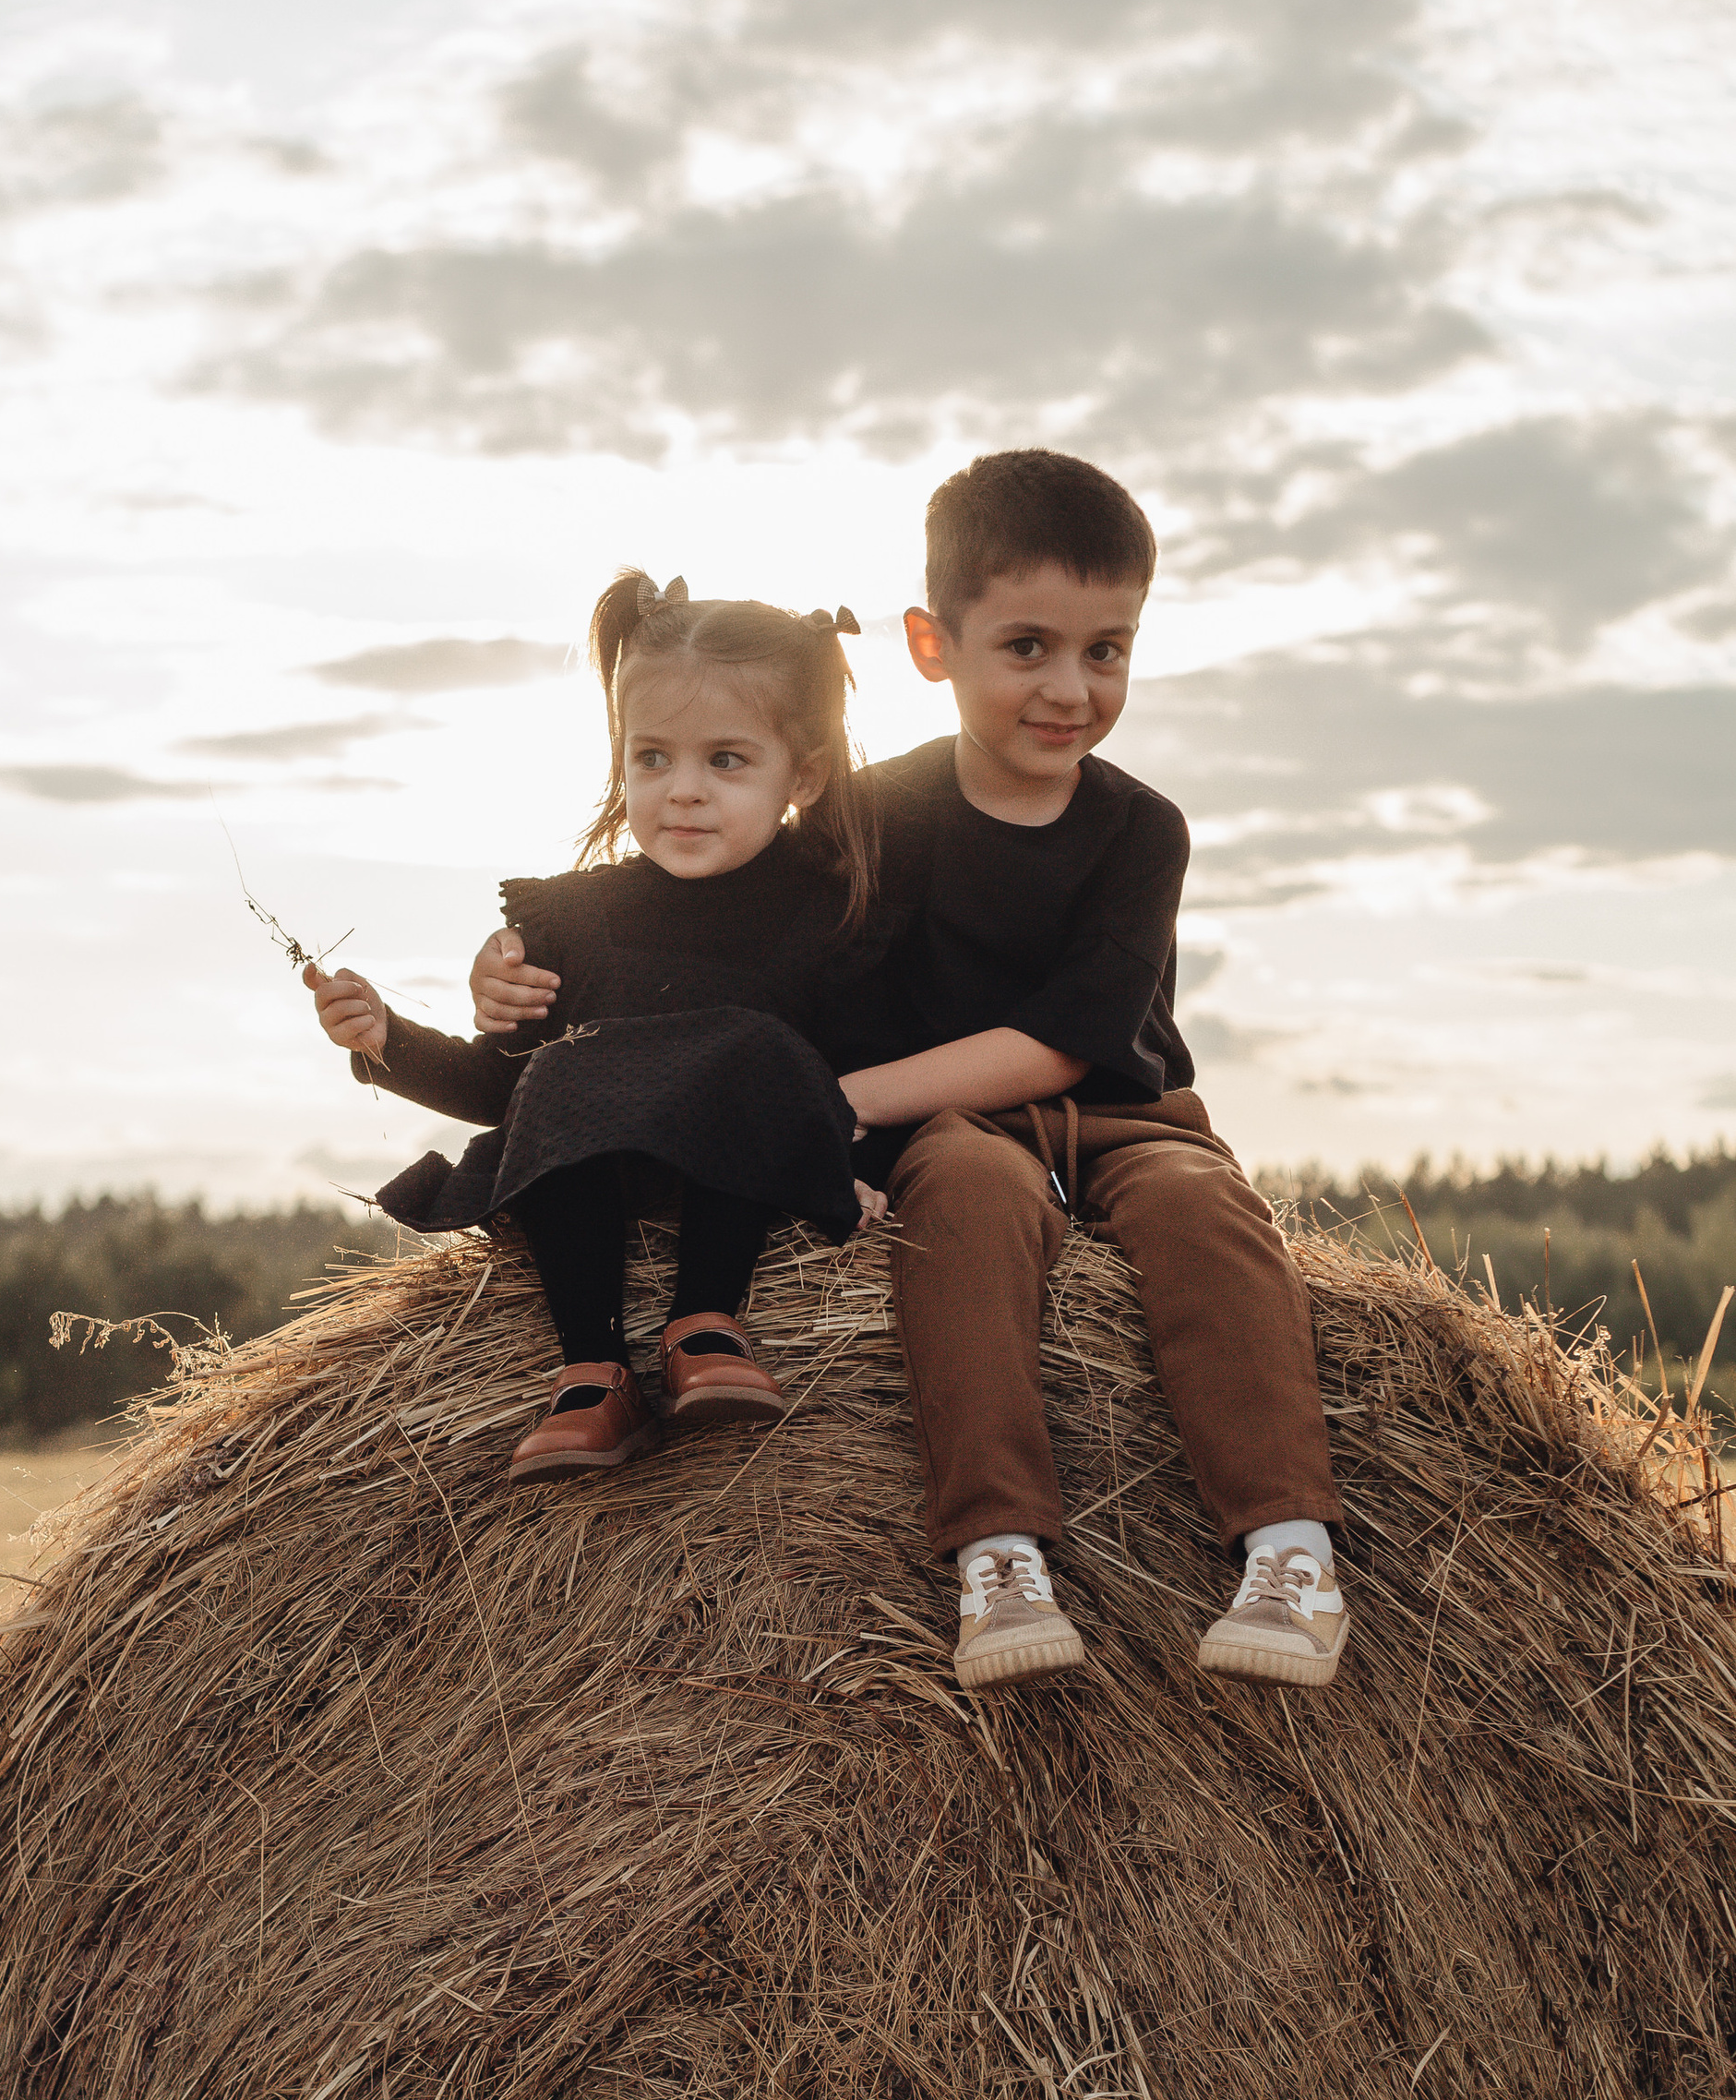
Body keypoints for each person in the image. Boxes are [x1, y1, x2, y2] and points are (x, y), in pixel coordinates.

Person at [470, 453, 1348, 1684]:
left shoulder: (1143, 828)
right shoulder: (866, 813)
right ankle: (999, 1555)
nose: (1070, 687)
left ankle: (1289, 1552)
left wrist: (830, 1108)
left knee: (1210, 1212)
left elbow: (1070, 1037)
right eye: (1028, 646)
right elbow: (702, 901)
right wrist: (516, 963)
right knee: (968, 1219)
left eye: (1109, 651)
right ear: (933, 647)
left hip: (1124, 1112)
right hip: (949, 1136)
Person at [306, 570, 896, 1478]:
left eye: (724, 761)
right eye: (651, 758)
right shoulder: (571, 921)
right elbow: (510, 1085)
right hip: (592, 1184)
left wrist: (844, 1171)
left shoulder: (831, 914)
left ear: (803, 774)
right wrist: (385, 1037)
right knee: (564, 1071)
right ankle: (593, 1373)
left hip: (744, 1183)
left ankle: (704, 1324)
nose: (683, 792)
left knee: (746, 1050)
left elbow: (864, 1075)